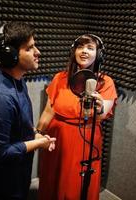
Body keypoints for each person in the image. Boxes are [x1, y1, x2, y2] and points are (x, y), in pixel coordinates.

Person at [0, 21, 56, 200]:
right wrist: (38, 144)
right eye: (30, 48)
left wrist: (35, 135)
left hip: (17, 177)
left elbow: (17, 128)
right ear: (9, 55)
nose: (38, 52)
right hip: (2, 186)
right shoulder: (0, 98)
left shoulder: (17, 81)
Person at [37, 34, 117, 200]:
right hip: (57, 137)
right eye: (80, 47)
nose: (84, 51)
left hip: (85, 141)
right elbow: (47, 112)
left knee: (76, 184)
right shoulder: (60, 78)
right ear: (73, 52)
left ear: (99, 54)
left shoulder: (105, 82)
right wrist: (36, 135)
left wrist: (100, 107)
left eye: (90, 47)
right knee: (53, 178)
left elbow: (102, 115)